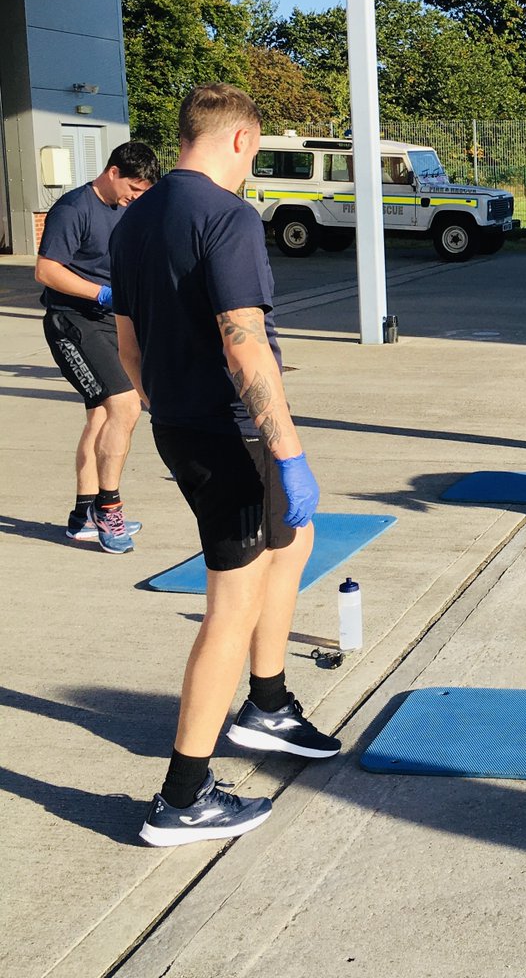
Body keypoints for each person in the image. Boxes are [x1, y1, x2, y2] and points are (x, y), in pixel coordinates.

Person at [110, 83, 336, 847]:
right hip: (233, 433)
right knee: (229, 608)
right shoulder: (227, 215)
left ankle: (267, 704)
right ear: (240, 139)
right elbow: (244, 339)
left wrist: (169, 407)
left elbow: (129, 343)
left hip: (182, 424)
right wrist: (288, 450)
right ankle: (183, 796)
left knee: (294, 541)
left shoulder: (134, 215)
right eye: (257, 151)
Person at [36, 141, 160, 553]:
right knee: (125, 406)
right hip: (71, 322)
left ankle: (81, 517)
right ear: (112, 172)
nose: (135, 198)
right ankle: (109, 509)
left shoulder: (123, 210)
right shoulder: (73, 209)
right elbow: (47, 270)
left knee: (100, 418)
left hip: (109, 324)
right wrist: (100, 295)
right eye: (133, 188)